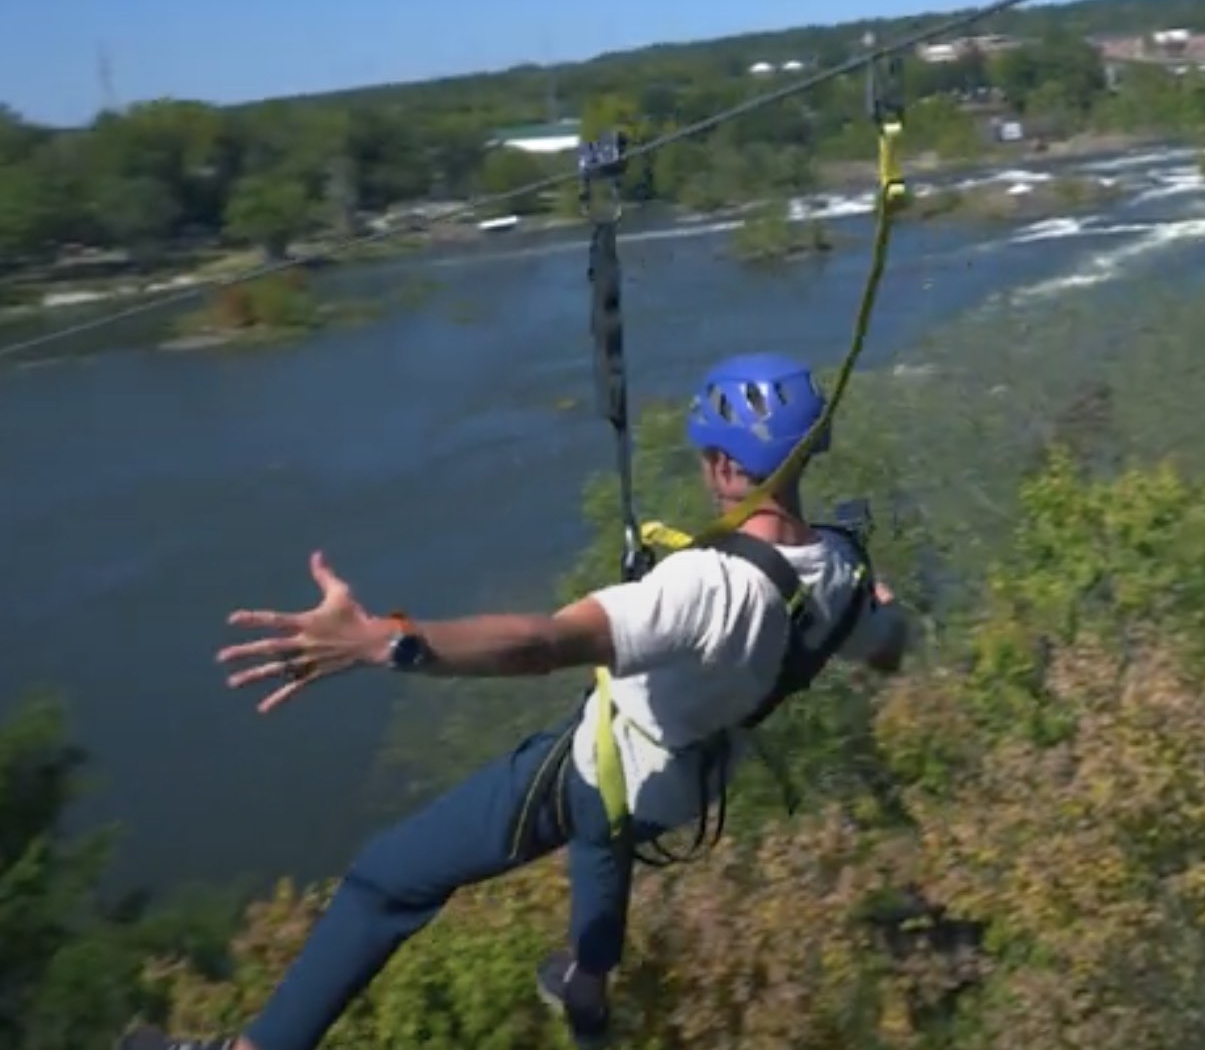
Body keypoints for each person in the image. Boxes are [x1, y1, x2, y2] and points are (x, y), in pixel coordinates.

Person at [120, 352, 912, 1050]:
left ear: (728, 467)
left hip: (608, 768)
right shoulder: (839, 571)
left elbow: (541, 643)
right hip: (689, 780)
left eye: (710, 456)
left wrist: (384, 641)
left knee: (386, 879)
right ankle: (587, 987)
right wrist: (875, 603)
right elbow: (885, 649)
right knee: (608, 840)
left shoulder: (703, 586)